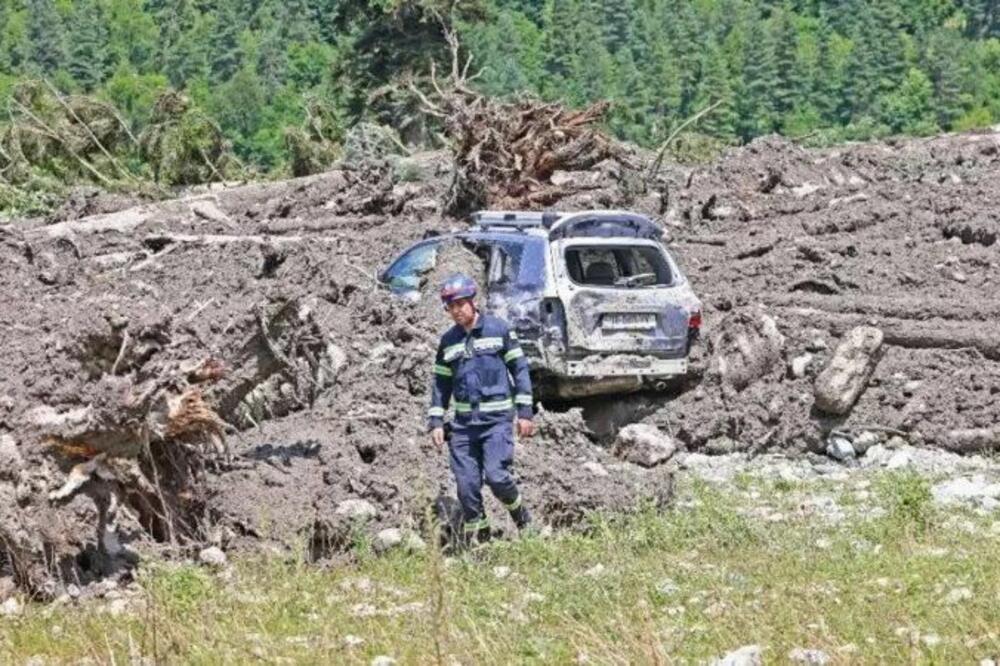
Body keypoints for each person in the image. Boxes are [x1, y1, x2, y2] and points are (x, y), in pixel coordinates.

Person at [427, 273, 535, 544]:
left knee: (498, 477)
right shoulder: (448, 342)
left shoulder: (499, 330)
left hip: (496, 421)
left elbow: (520, 370)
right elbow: (441, 384)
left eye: (461, 304)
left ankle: (521, 517)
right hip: (463, 427)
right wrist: (437, 421)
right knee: (466, 487)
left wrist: (524, 413)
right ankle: (482, 538)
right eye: (451, 306)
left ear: (473, 302)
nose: (456, 311)